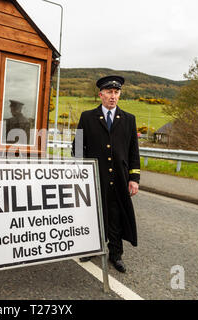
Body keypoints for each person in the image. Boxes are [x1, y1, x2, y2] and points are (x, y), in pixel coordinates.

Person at [72, 75, 140, 273]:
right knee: (94, 214)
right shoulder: (87, 117)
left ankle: (116, 255)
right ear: (100, 95)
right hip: (95, 177)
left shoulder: (128, 120)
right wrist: (80, 174)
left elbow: (133, 152)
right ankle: (92, 247)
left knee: (116, 216)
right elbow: (77, 148)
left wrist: (134, 178)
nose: (113, 96)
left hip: (119, 178)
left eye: (116, 92)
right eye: (109, 92)